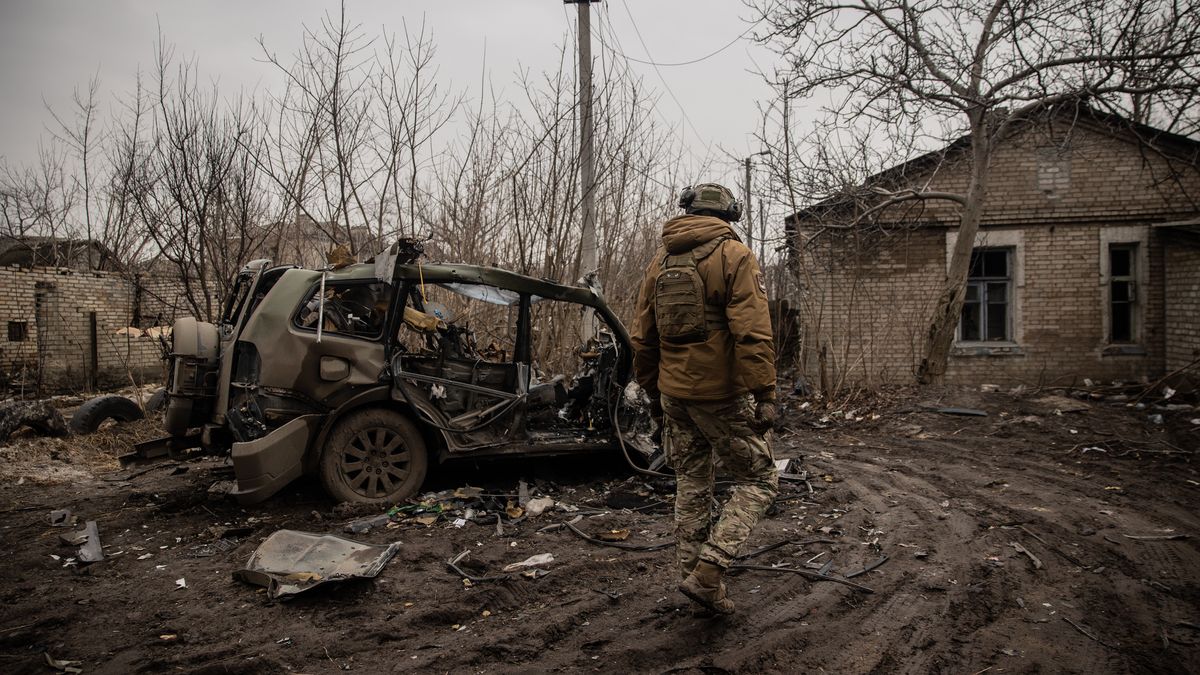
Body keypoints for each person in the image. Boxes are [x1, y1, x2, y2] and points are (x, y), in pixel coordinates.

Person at [631, 182, 779, 615]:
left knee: (692, 482)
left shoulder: (660, 259)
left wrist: (654, 391)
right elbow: (752, 332)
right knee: (760, 479)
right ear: (729, 215)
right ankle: (710, 571)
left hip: (674, 392)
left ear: (689, 210)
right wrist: (765, 392)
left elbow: (642, 337)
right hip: (720, 395)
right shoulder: (735, 256)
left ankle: (697, 587)